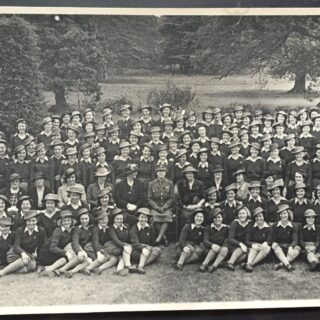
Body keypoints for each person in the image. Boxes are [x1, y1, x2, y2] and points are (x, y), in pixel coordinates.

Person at [0, 210, 47, 277]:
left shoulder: (41, 231)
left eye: (33, 221)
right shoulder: (20, 230)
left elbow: (42, 247)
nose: (31, 223)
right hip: (15, 254)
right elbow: (16, 246)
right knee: (26, 262)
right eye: (28, 221)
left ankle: (7, 270)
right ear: (25, 221)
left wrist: (39, 261)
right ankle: (2, 272)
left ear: (37, 221)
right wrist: (23, 254)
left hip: (29, 256)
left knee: (32, 266)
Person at [54, 208, 94, 278]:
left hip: (83, 249)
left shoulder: (91, 228)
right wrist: (79, 251)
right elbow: (74, 241)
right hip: (73, 247)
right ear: (79, 220)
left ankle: (71, 272)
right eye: (82, 219)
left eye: (86, 219)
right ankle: (61, 270)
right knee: (80, 257)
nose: (84, 221)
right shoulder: (77, 229)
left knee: (89, 261)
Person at [38, 210, 75, 276]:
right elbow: (52, 247)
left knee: (70, 259)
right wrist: (66, 252)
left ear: (71, 221)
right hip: (47, 253)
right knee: (65, 258)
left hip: (56, 253)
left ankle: (48, 268)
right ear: (61, 222)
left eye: (68, 220)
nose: (67, 222)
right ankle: (48, 270)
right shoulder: (58, 230)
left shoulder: (71, 230)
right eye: (64, 221)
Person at [147, 165, 174, 246]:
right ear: (156, 173)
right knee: (155, 218)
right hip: (156, 207)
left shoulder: (170, 183)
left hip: (167, 207)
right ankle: (164, 238)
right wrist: (156, 207)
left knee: (167, 217)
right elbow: (149, 198)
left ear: (166, 173)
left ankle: (158, 238)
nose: (161, 173)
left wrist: (165, 207)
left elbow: (171, 198)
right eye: (159, 171)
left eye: (163, 171)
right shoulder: (151, 184)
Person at [130, 208, 161, 274]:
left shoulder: (150, 227)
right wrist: (143, 248)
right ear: (138, 218)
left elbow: (152, 242)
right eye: (141, 217)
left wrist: (148, 247)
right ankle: (141, 266)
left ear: (148, 219)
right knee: (147, 249)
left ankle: (138, 266)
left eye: (145, 218)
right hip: (137, 250)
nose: (143, 219)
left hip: (148, 250)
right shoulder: (134, 228)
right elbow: (135, 243)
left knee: (157, 250)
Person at [271, 204, 300, 272]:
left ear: (288, 214)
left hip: (289, 248)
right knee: (276, 247)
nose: (283, 215)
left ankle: (281, 264)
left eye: (285, 213)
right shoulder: (275, 225)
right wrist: (273, 243)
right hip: (279, 248)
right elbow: (273, 240)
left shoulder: (294, 225)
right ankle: (287, 264)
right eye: (281, 214)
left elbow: (295, 240)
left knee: (298, 248)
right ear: (279, 215)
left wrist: (291, 247)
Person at [199, 208, 229, 273]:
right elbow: (205, 240)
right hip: (209, 249)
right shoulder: (208, 227)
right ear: (212, 219)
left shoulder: (226, 228)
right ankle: (204, 264)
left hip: (221, 250)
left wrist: (222, 247)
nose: (217, 219)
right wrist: (212, 245)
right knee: (214, 249)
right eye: (215, 218)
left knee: (225, 249)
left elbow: (227, 240)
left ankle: (213, 266)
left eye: (219, 217)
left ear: (222, 218)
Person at [108, 208, 136, 276]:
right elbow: (115, 240)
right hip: (114, 246)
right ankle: (128, 265)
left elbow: (130, 238)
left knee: (122, 257)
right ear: (113, 220)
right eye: (117, 219)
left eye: (121, 219)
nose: (119, 221)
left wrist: (131, 244)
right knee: (124, 251)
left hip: (123, 247)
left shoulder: (126, 226)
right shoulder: (111, 228)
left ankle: (119, 270)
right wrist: (124, 246)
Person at [244, 207, 272, 272]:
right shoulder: (251, 226)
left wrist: (265, 243)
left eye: (260, 216)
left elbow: (270, 240)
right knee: (253, 249)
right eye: (256, 217)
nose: (258, 218)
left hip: (263, 249)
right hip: (254, 247)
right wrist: (253, 245)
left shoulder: (269, 227)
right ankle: (248, 263)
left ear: (263, 217)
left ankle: (251, 265)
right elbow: (246, 241)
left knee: (267, 248)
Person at [225, 204, 251, 271]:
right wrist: (240, 244)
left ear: (247, 214)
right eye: (240, 214)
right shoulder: (234, 223)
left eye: (243, 213)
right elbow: (230, 239)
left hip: (243, 245)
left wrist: (245, 245)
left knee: (247, 252)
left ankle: (227, 263)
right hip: (232, 245)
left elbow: (247, 239)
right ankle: (230, 263)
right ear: (237, 215)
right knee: (241, 249)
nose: (242, 215)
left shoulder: (249, 224)